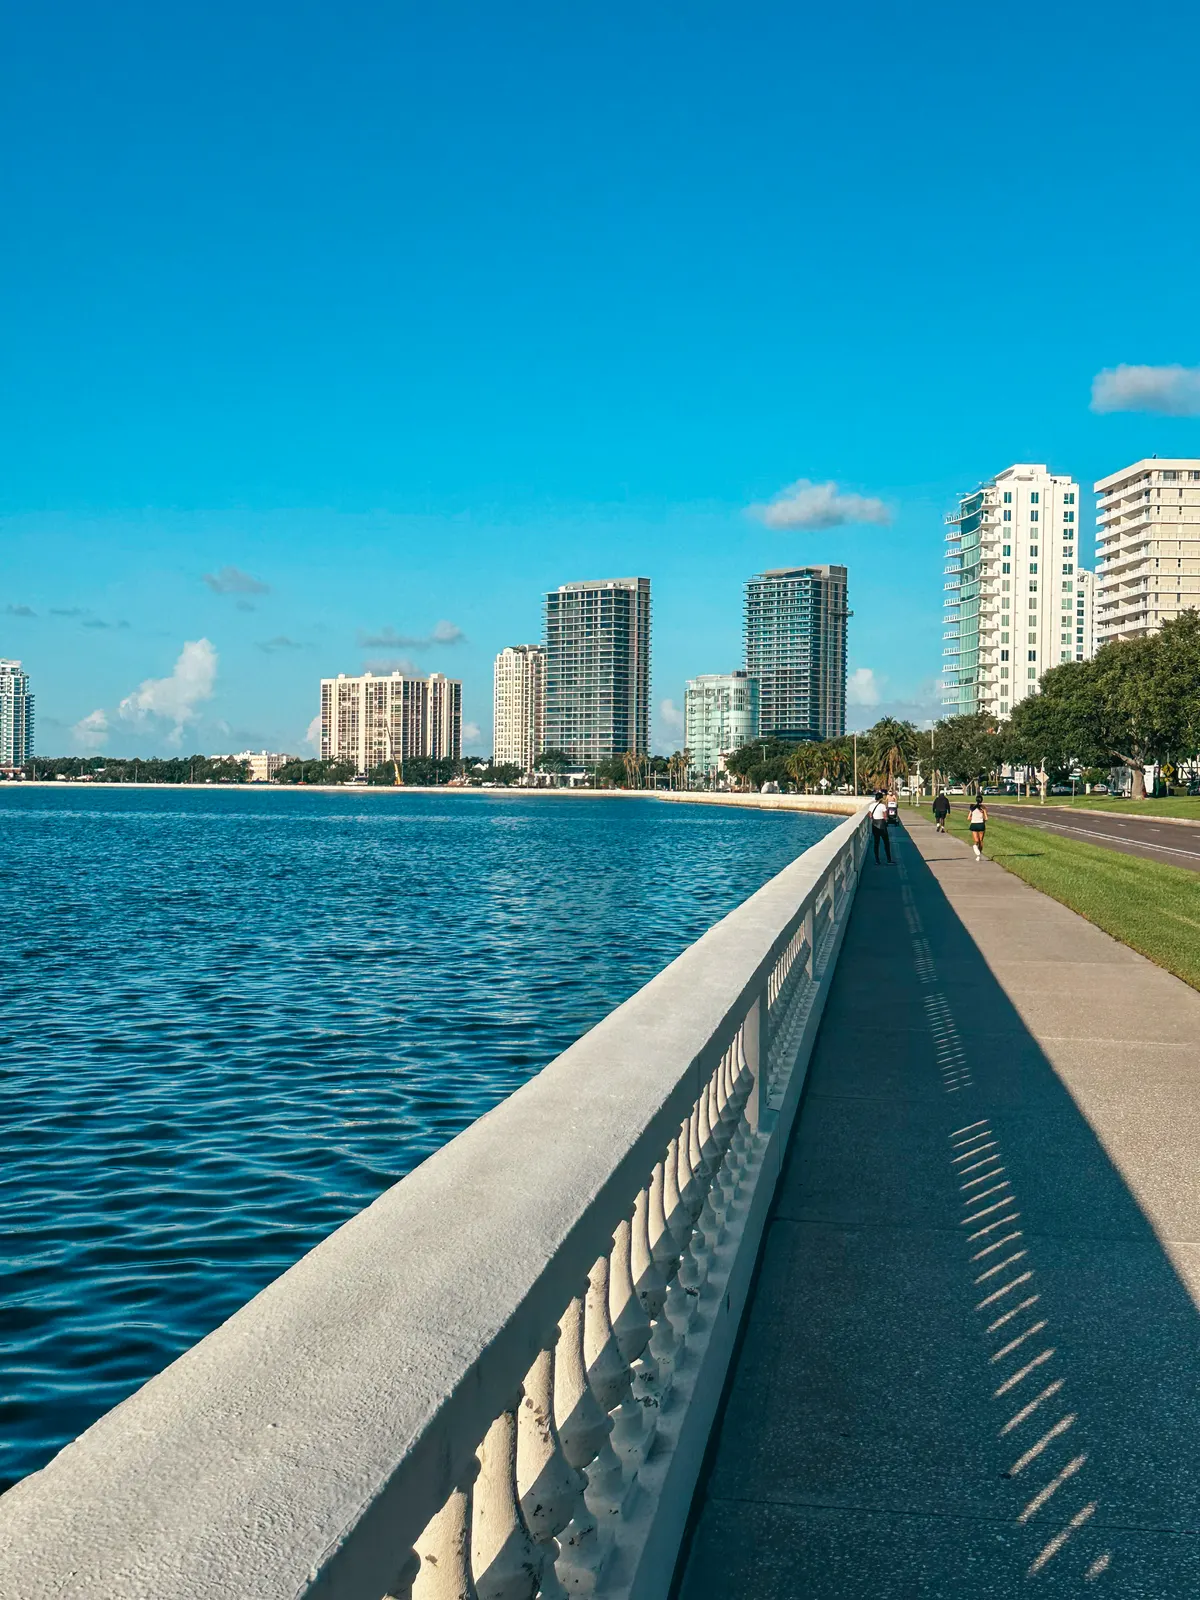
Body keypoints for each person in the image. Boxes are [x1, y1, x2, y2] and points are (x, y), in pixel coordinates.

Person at [870, 790, 892, 863]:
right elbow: (885, 816)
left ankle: (877, 860)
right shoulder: (882, 806)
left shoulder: (871, 806)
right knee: (886, 842)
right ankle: (889, 859)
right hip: (882, 824)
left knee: (876, 843)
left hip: (874, 824)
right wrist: (887, 820)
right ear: (881, 799)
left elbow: (870, 816)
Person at [968, 794, 988, 861]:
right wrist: (982, 818)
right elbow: (986, 818)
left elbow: (968, 818)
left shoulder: (972, 807)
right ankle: (979, 855)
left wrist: (974, 818)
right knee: (981, 840)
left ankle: (976, 848)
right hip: (981, 824)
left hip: (974, 824)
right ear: (982, 800)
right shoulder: (983, 808)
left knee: (976, 840)